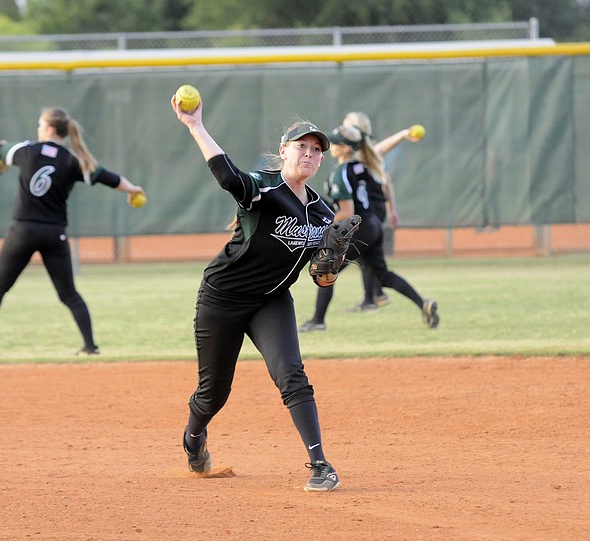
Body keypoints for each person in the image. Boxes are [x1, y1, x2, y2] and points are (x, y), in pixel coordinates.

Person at [170, 94, 342, 492]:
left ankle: (319, 464)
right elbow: (228, 176)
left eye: (317, 151)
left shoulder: (323, 212)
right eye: (303, 147)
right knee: (214, 393)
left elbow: (321, 278)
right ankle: (194, 437)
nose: (311, 155)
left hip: (271, 300)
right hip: (222, 298)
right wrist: (196, 126)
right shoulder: (263, 188)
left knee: (292, 376)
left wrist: (331, 266)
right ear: (284, 151)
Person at [0, 107, 145, 355]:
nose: (38, 129)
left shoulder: (26, 149)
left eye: (41, 125)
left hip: (22, 230)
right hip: (55, 234)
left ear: (50, 130)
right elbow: (110, 178)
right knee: (69, 294)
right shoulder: (74, 160)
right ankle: (90, 346)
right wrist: (133, 190)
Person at [298, 124, 439, 332]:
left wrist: (324, 224)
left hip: (359, 229)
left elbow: (346, 212)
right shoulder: (365, 166)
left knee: (326, 268)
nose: (332, 146)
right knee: (383, 276)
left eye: (336, 142)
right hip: (373, 225)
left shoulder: (343, 172)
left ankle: (318, 321)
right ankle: (423, 303)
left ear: (346, 148)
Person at [341, 112, 424, 311]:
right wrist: (392, 208)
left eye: (346, 126)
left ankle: (373, 296)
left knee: (362, 253)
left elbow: (381, 154)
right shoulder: (362, 151)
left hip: (370, 209)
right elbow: (386, 180)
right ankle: (374, 295)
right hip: (374, 208)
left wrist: (403, 135)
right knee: (366, 256)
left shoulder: (365, 150)